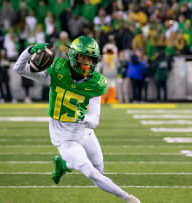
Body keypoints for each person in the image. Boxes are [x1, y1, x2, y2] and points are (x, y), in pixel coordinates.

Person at [13, 35, 141, 203]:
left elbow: (94, 120)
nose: (87, 63)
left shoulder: (96, 82)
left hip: (84, 131)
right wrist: (29, 51)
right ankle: (129, 199)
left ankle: (64, 165)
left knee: (100, 169)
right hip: (64, 137)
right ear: (73, 56)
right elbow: (18, 69)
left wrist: (84, 118)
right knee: (92, 173)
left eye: (90, 59)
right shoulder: (57, 70)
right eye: (83, 57)